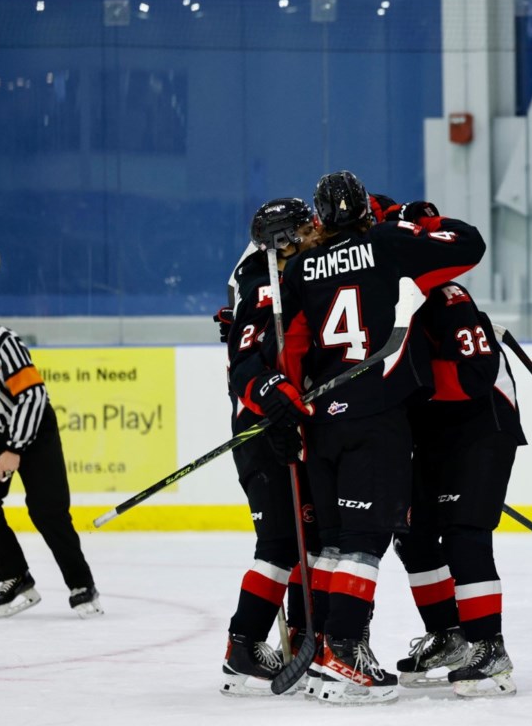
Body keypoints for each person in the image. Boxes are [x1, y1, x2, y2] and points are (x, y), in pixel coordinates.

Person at [261, 171, 486, 705]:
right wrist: (420, 221)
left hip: (322, 419)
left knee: (335, 541)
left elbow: (286, 347)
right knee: (363, 543)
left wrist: (285, 409)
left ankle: (324, 653)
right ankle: (343, 650)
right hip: (377, 414)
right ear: (365, 208)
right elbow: (468, 246)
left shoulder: (301, 268)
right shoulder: (388, 243)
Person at [392, 272, 526, 697]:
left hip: (482, 426)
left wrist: (408, 384)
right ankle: (449, 635)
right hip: (436, 433)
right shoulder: (385, 297)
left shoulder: (448, 297)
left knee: (464, 534)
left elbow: (475, 376)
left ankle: (489, 646)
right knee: (412, 536)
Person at [220, 199, 322, 696]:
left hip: (290, 429)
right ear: (280, 240)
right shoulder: (264, 286)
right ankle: (242, 645)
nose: (311, 233)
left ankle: (305, 640)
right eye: (302, 229)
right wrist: (269, 403)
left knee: (309, 540)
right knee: (282, 543)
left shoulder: (288, 276)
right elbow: (245, 368)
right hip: (261, 433)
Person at [0, 283, 102, 619]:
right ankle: (15, 576)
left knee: (47, 510)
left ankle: (82, 585)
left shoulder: (0, 341)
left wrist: (14, 448)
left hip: (33, 426)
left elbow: (32, 396)